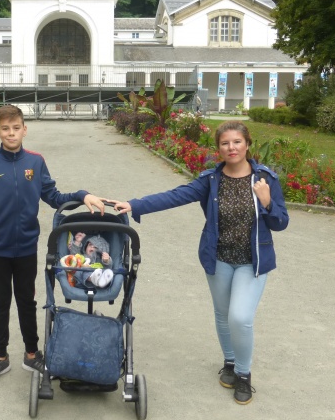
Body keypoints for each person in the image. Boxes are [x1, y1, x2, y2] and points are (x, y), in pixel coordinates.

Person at [109, 120, 288, 405]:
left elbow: (281, 223)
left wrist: (266, 202)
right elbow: (176, 196)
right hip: (218, 258)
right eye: (225, 143)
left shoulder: (265, 180)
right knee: (221, 313)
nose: (232, 147)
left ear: (247, 144)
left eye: (237, 142)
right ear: (218, 148)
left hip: (251, 261)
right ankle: (229, 362)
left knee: (239, 317)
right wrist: (135, 204)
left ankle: (243, 374)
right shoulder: (211, 180)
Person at [0, 105, 106, 386]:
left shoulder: (35, 161)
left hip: (27, 248)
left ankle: (32, 355)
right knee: (0, 304)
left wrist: (83, 195)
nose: (11, 133)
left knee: (27, 302)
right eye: (5, 128)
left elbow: (54, 196)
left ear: (24, 129)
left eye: (16, 128)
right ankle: (0, 358)